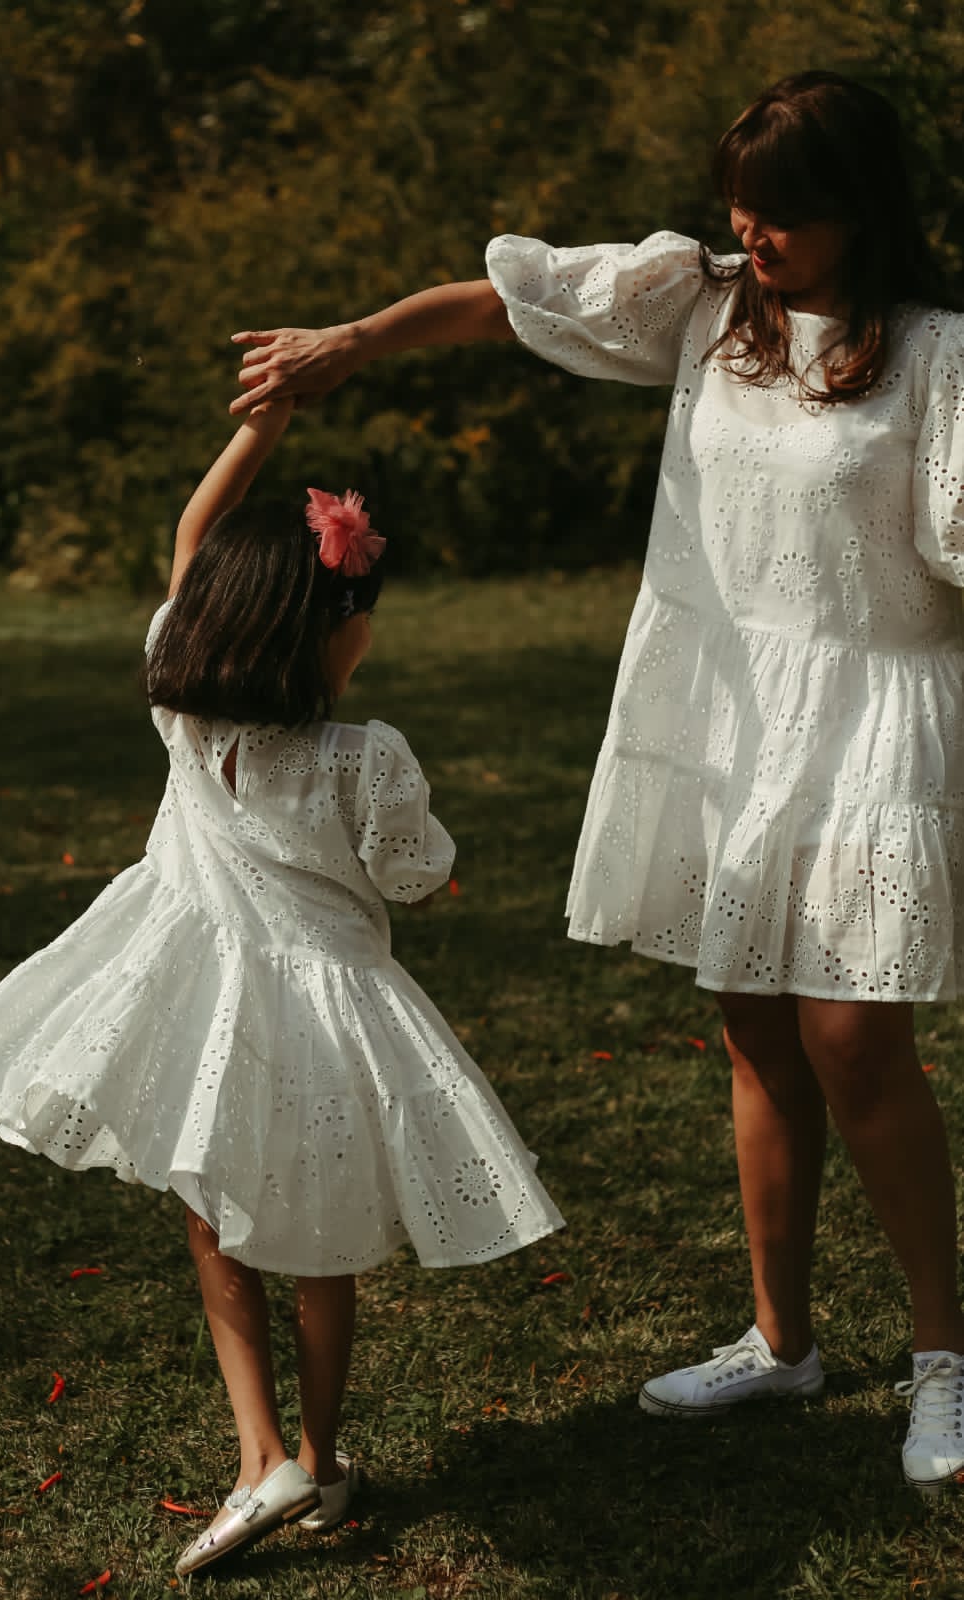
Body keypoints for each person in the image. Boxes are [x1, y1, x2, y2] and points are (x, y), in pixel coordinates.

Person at [227, 70, 964, 1492]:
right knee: (749, 1023)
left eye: (782, 215)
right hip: (726, 716)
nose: (752, 234)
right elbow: (505, 303)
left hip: (871, 713)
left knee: (853, 1041)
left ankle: (943, 1358)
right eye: (740, 207)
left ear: (859, 210)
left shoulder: (935, 355)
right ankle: (780, 1339)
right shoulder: (699, 302)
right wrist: (355, 341)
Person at [0, 395, 564, 1577]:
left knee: (213, 1206)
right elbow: (416, 878)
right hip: (324, 1011)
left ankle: (257, 1450)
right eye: (359, 613)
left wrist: (255, 436)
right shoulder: (363, 756)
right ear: (329, 630)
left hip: (202, 997)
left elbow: (189, 540)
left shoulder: (179, 708)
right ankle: (315, 1463)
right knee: (321, 1245)